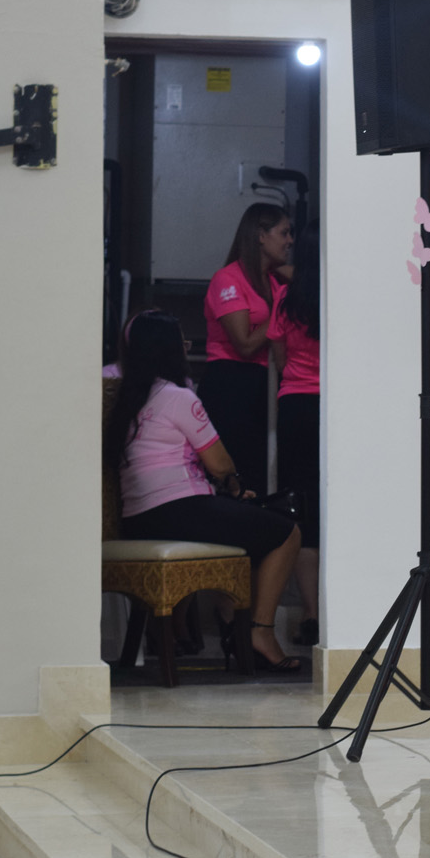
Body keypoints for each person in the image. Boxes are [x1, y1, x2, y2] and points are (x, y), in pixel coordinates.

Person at [106, 310, 306, 675]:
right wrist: (236, 488)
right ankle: (260, 632)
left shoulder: (127, 399)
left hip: (138, 519)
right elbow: (220, 464)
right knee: (286, 533)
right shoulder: (177, 396)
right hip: (179, 509)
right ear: (171, 350)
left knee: (248, 529)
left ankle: (237, 627)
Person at [199, 202, 292, 492]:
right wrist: (281, 307)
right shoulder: (228, 279)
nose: (290, 241)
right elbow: (245, 344)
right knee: (235, 476)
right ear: (261, 235)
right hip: (231, 384)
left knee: (261, 473)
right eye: (284, 233)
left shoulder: (274, 282)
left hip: (264, 384)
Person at [268, 230, 322, 647]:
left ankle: (311, 613)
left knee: (300, 510)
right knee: (332, 506)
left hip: (295, 406)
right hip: (334, 408)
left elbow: (280, 358)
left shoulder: (286, 300)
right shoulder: (339, 300)